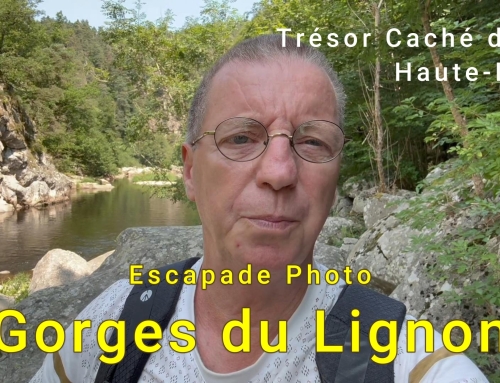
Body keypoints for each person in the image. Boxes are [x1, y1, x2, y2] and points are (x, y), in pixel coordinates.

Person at [31, 34, 488, 383]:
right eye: (241, 138)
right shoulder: (113, 325)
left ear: (336, 178)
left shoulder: (412, 363)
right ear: (190, 173)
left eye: (312, 141)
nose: (279, 171)